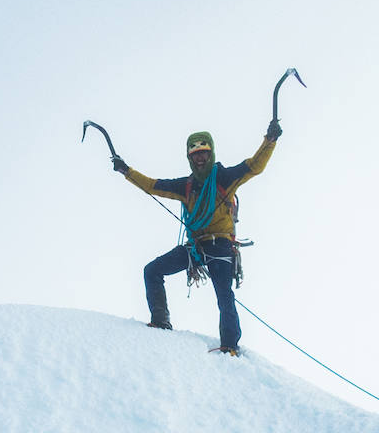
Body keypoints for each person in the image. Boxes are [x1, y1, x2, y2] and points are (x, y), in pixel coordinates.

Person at [111, 120, 281, 355]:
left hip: (220, 244)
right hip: (196, 247)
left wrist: (269, 141)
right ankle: (161, 321)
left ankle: (230, 346)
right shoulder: (186, 186)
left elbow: (254, 166)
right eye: (195, 155)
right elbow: (152, 185)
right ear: (189, 158)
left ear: (210, 153)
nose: (199, 159)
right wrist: (126, 171)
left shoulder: (223, 177)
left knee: (224, 294)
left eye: (203, 153)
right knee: (152, 270)